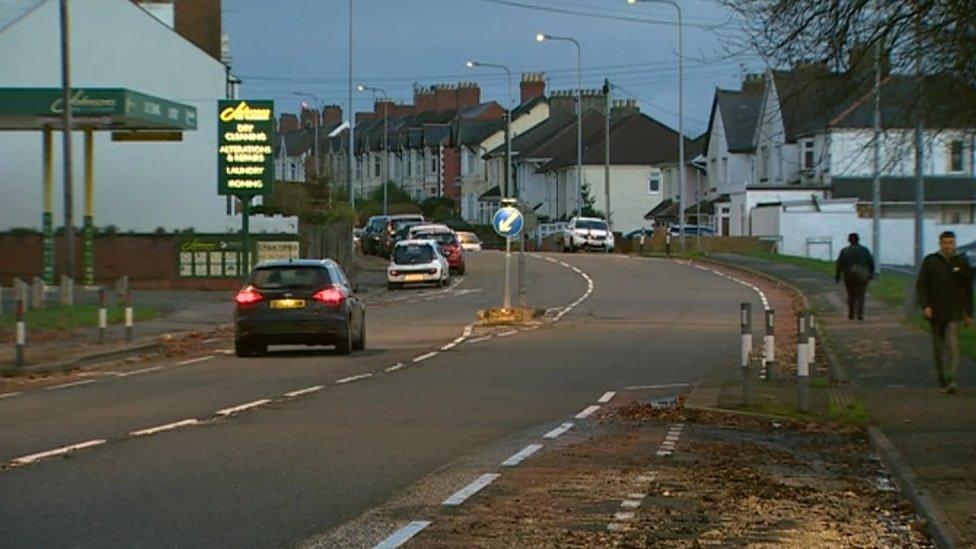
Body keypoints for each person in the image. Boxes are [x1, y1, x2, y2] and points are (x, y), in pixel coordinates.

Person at [916, 231, 973, 394]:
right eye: (945, 242)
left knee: (953, 345)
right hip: (935, 311)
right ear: (940, 244)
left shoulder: (961, 262)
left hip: (955, 311)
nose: (948, 245)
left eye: (951, 242)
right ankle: (941, 377)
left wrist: (969, 313)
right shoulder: (930, 261)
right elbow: (922, 285)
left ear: (954, 244)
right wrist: (925, 305)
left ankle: (951, 378)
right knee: (938, 346)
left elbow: (968, 289)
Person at [835, 233, 875, 320]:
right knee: (860, 295)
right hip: (861, 276)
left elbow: (839, 265)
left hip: (849, 276)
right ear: (858, 239)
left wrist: (837, 276)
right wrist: (871, 274)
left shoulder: (844, 251)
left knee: (851, 295)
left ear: (849, 240)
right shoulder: (864, 250)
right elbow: (871, 263)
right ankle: (860, 314)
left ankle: (851, 314)